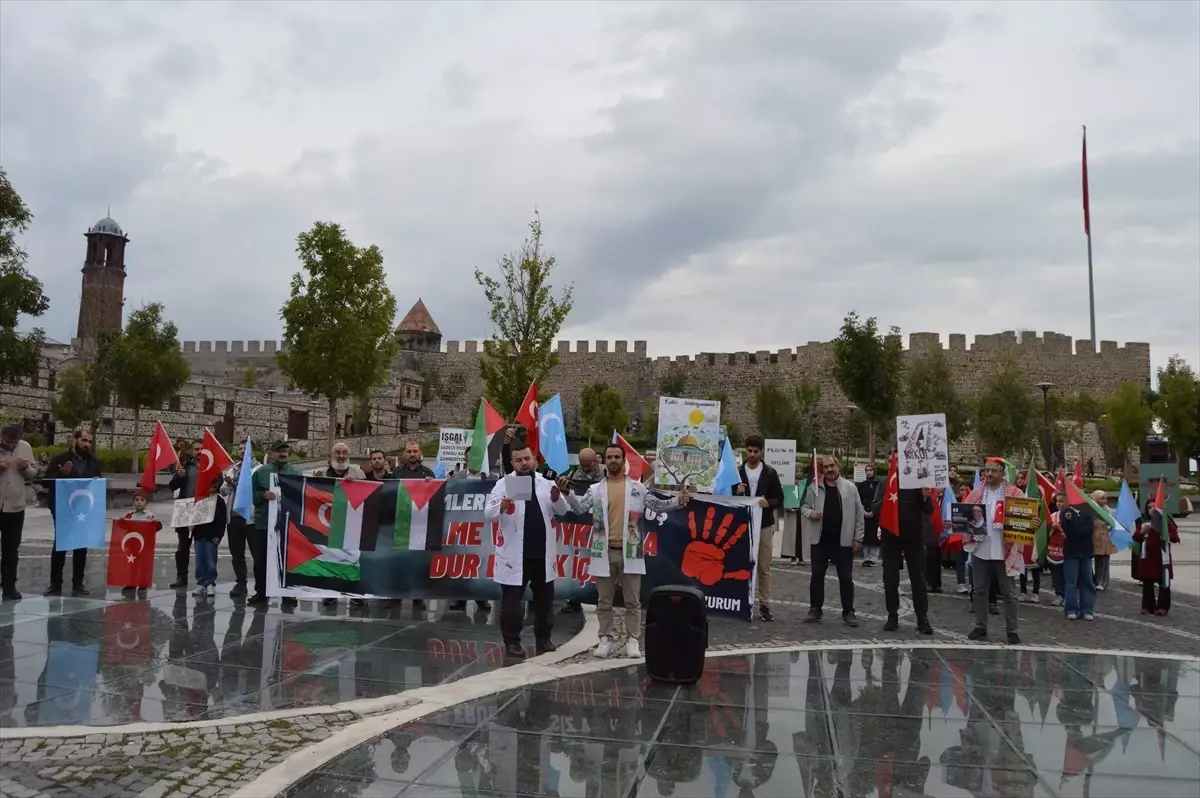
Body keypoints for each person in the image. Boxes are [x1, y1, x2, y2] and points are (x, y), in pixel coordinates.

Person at [562, 443, 690, 658]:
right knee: (604, 600)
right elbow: (579, 508)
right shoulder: (596, 490)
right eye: (609, 457)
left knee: (633, 601)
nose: (613, 460)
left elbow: (657, 505)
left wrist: (678, 501)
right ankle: (605, 639)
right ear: (604, 461)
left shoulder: (637, 489)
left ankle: (632, 639)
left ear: (623, 461)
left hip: (630, 552)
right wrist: (568, 494)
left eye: (617, 457)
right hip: (604, 551)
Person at [485, 443, 569, 659]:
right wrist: (500, 507)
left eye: (527, 459)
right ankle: (512, 642)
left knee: (544, 602)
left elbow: (562, 511)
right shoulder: (503, 484)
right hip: (515, 555)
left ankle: (544, 638)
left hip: (542, 553)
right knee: (511, 603)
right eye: (518, 460)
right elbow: (489, 513)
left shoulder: (546, 483)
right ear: (512, 463)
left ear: (535, 460)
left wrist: (556, 498)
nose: (523, 463)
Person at [962, 458, 1024, 644]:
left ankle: (1012, 630)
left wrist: (1033, 523)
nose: (989, 474)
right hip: (981, 549)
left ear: (1002, 473)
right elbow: (964, 517)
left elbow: (1026, 518)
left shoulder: (1015, 493)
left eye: (993, 471)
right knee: (980, 590)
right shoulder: (976, 493)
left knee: (1009, 593)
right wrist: (953, 522)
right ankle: (981, 627)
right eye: (987, 471)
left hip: (1004, 549)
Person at [800, 455, 864, 627]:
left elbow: (859, 514)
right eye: (825, 467)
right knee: (817, 576)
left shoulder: (850, 488)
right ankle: (815, 609)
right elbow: (804, 507)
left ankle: (848, 611)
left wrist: (858, 537)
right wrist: (810, 513)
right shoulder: (814, 488)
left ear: (838, 466)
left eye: (832, 466)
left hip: (843, 541)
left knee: (846, 577)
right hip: (820, 540)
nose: (829, 469)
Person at [44, 428, 102, 596]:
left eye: (90, 442)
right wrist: (60, 474)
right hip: (63, 509)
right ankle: (55, 584)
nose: (87, 444)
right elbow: (45, 482)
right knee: (60, 545)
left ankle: (78, 583)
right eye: (84, 440)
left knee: (81, 546)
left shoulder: (94, 462)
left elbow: (96, 484)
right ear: (74, 440)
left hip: (84, 510)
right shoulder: (61, 459)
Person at [736, 435, 785, 622]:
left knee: (764, 566)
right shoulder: (738, 472)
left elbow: (780, 498)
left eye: (756, 451)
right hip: (743, 525)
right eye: (749, 451)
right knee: (742, 565)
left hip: (764, 525)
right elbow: (727, 495)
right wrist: (736, 491)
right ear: (745, 450)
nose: (752, 454)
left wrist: (769, 502)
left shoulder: (770, 473)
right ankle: (741, 601)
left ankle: (764, 604)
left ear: (761, 452)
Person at [876, 483, 935, 635]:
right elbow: (875, 507)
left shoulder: (916, 483)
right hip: (890, 539)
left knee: (919, 580)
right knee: (890, 580)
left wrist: (925, 497)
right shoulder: (885, 483)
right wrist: (887, 500)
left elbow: (929, 510)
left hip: (914, 538)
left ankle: (922, 619)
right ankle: (892, 616)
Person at [251, 441, 302, 606]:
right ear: (272, 453)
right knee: (261, 561)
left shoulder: (295, 472)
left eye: (286, 451)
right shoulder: (261, 473)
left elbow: (302, 495)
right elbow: (252, 495)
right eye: (280, 451)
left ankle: (287, 594)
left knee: (287, 561)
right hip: (264, 523)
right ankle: (261, 593)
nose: (283, 454)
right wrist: (262, 495)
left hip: (287, 525)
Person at [0, 423, 37, 600]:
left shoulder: (25, 447)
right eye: (8, 442)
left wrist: (25, 468)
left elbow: (34, 472)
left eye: (15, 441)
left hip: (15, 506)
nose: (12, 445)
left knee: (11, 549)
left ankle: (9, 586)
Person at [1133, 487, 1179, 616]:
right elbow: (1136, 537)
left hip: (1162, 556)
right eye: (1150, 507)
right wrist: (1143, 531)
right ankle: (1147, 606)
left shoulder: (1167, 521)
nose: (1152, 509)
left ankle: (1163, 607)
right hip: (1147, 556)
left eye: (1155, 506)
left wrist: (1165, 535)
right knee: (1147, 584)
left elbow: (1175, 538)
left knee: (1164, 583)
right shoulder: (1143, 521)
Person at [168, 439, 204, 589]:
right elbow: (172, 486)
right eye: (196, 449)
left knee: (203, 546)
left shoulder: (210, 466)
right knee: (183, 547)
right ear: (192, 451)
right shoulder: (186, 466)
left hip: (203, 510)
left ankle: (204, 580)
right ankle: (181, 576)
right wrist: (178, 476)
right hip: (185, 510)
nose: (199, 452)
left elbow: (219, 484)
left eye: (201, 449)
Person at [220, 440, 253, 598]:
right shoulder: (234, 468)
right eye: (239, 449)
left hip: (251, 517)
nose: (241, 451)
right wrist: (229, 484)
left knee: (257, 552)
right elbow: (223, 491)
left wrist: (241, 484)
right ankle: (241, 582)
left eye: (245, 449)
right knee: (236, 552)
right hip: (233, 516)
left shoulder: (258, 469)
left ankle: (262, 585)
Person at [1058, 490, 1096, 621]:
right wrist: (1076, 531)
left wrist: (1076, 532)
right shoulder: (1065, 512)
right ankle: (1071, 608)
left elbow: (1090, 529)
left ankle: (1087, 609)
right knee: (1071, 582)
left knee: (1087, 581)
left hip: (1085, 551)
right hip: (1071, 552)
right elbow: (1067, 530)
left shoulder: (1088, 512)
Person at [120, 490, 162, 598]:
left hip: (145, 545)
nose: (139, 502)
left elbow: (157, 527)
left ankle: (143, 584)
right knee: (132, 565)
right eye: (136, 500)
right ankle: (131, 584)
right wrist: (121, 521)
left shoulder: (150, 515)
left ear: (146, 503)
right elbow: (124, 527)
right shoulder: (130, 515)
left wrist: (156, 523)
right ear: (133, 502)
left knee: (144, 566)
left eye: (142, 500)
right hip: (133, 544)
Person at [191, 480, 228, 599]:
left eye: (213, 487)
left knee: (211, 562)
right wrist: (190, 525)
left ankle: (210, 583)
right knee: (199, 562)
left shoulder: (219, 502)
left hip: (211, 537)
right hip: (198, 536)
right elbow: (192, 515)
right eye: (208, 487)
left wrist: (219, 536)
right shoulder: (198, 500)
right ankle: (200, 583)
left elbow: (222, 521)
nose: (210, 490)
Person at [1091, 489, 1117, 592]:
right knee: (1097, 561)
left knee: (1105, 561)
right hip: (1095, 538)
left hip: (1106, 538)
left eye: (1106, 498)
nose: (1105, 500)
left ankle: (1103, 582)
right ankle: (1096, 581)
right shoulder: (1092, 510)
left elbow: (1113, 523)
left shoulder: (1108, 511)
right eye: (1102, 498)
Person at [857, 465, 880, 567]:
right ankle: (866, 557)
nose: (868, 472)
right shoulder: (862, 485)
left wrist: (874, 511)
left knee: (875, 536)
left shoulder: (879, 484)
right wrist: (863, 511)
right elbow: (859, 499)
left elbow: (881, 498)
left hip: (876, 514)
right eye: (866, 470)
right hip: (864, 512)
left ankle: (873, 558)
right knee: (865, 535)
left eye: (870, 470)